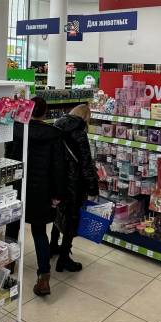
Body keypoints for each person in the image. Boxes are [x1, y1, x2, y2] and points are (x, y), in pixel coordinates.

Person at [4, 96, 68, 297]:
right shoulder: (55, 135)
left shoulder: (16, 130)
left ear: (28, 110)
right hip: (42, 191)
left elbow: (8, 158)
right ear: (45, 112)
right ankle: (43, 276)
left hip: (17, 186)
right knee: (39, 231)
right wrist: (58, 194)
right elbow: (59, 168)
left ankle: (7, 266)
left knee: (12, 227)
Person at [50, 104, 98, 272]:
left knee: (58, 212)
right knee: (71, 218)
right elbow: (86, 164)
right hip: (73, 182)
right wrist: (93, 188)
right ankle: (64, 259)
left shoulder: (56, 125)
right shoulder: (79, 133)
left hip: (57, 180)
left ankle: (52, 246)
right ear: (85, 117)